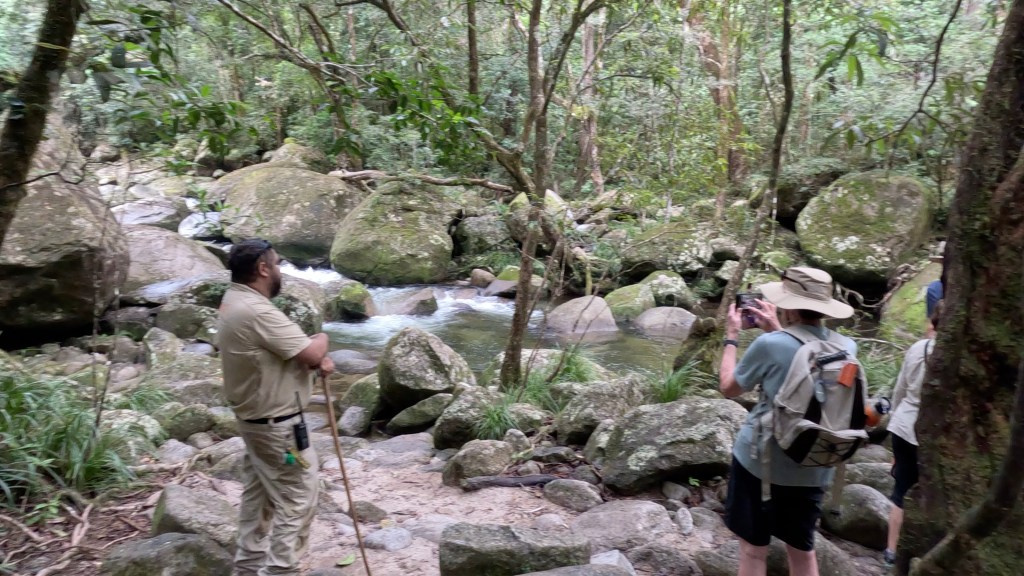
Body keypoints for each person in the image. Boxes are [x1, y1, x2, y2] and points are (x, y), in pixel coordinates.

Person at [719, 267, 856, 576]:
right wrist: (778, 329)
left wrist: (732, 337)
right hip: (815, 463)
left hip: (762, 464)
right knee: (803, 552)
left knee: (753, 551)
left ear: (789, 306)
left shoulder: (770, 345)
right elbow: (805, 357)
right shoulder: (847, 347)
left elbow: (728, 387)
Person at [218, 239, 335, 576]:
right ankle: (280, 570)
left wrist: (310, 356)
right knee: (299, 496)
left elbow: (280, 352)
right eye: (278, 263)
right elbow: (312, 353)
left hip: (256, 424)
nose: (280, 270)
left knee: (259, 496)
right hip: (279, 432)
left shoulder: (232, 300)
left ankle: (248, 565)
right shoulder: (257, 311)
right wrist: (322, 340)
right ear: (263, 269)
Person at [882, 300, 941, 568]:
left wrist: (894, 418)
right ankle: (923, 552)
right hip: (932, 433)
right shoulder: (957, 356)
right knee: (929, 493)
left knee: (901, 488)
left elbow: (900, 389)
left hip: (904, 426)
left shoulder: (918, 348)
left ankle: (891, 551)